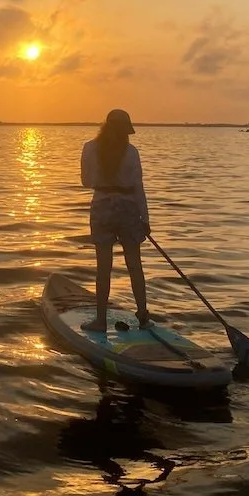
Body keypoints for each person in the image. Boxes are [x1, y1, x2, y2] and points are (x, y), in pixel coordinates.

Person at [79, 108, 151, 332]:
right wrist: (145, 219)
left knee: (103, 267)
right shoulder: (132, 152)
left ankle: (100, 321)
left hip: (102, 207)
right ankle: (143, 316)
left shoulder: (89, 148)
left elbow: (86, 182)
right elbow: (138, 188)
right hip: (129, 209)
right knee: (134, 265)